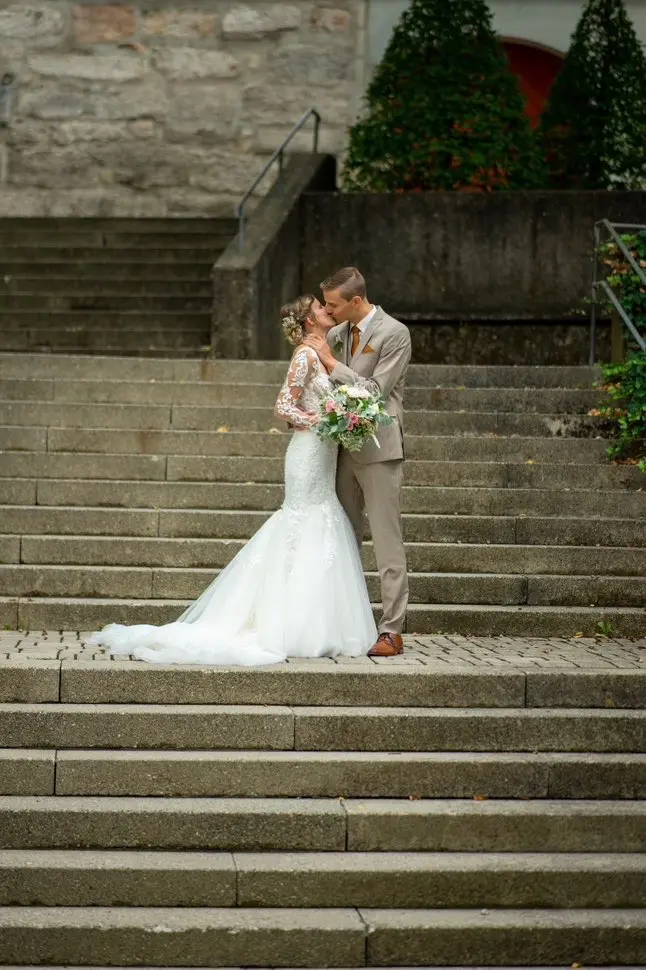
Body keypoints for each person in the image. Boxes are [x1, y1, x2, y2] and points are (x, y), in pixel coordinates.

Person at [88, 295, 377, 665]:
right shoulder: (305, 355)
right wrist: (324, 421)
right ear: (308, 321)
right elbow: (283, 407)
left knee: (320, 523)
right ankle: (288, 623)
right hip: (307, 453)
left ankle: (312, 620)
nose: (327, 309)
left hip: (322, 454)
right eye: (320, 307)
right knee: (304, 521)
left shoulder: (320, 352)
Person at [304, 267, 411, 657]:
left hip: (380, 450)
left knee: (386, 542)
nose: (328, 312)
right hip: (341, 450)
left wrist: (331, 363)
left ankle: (391, 630)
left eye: (333, 304)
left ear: (355, 300)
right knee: (343, 539)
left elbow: (375, 392)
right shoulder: (336, 333)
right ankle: (347, 622)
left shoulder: (395, 334)